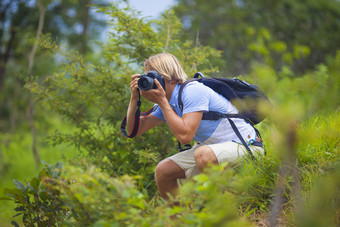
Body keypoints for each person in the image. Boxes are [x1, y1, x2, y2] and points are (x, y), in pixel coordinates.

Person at [126, 53, 264, 200]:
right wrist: (134, 98)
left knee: (202, 154)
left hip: (246, 146)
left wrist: (162, 102)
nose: (151, 82)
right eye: (147, 77)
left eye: (154, 77)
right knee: (163, 171)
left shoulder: (192, 91)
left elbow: (185, 137)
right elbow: (134, 129)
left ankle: (224, 205)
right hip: (213, 150)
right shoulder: (165, 101)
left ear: (170, 77)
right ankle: (177, 220)